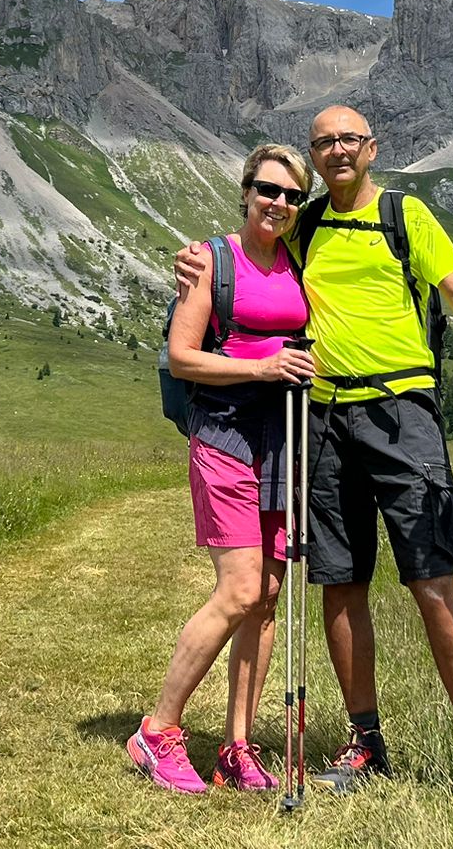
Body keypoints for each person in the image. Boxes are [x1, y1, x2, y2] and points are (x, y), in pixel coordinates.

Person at [177, 106, 453, 792]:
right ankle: (366, 742)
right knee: (339, 582)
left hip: (404, 411)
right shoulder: (306, 225)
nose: (336, 151)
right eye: (323, 142)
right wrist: (194, 264)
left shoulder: (404, 216)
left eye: (347, 140)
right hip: (325, 418)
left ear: (371, 148)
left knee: (432, 577)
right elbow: (254, 250)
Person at [129, 144, 320, 795]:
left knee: (266, 599)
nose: (280, 204)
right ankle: (157, 732)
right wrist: (263, 369)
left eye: (293, 196)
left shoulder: (297, 262)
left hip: (280, 441)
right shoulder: (212, 260)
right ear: (245, 192)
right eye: (269, 190)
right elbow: (183, 357)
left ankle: (238, 747)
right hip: (225, 435)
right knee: (238, 590)